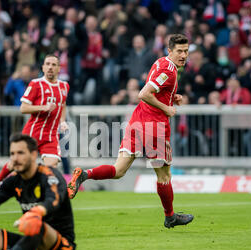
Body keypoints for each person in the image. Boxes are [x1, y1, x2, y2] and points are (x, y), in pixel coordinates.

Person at [67, 34, 194, 229]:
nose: (184, 55)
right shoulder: (169, 71)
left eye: (186, 51)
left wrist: (170, 98)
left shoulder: (162, 63)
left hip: (137, 122)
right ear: (170, 51)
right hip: (155, 127)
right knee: (164, 176)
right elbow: (144, 93)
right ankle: (170, 216)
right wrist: (167, 108)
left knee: (119, 170)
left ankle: (84, 174)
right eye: (179, 51)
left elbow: (155, 90)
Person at [0, 54, 70, 191]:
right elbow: (23, 108)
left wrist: (62, 121)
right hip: (33, 133)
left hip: (50, 136)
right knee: (15, 164)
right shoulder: (36, 84)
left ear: (59, 68)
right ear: (43, 67)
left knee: (51, 169)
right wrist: (43, 107)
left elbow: (62, 104)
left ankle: (46, 199)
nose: (50, 67)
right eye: (48, 64)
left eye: (54, 65)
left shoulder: (64, 86)